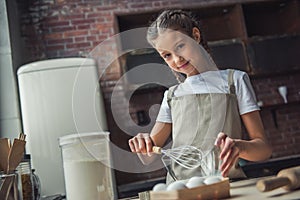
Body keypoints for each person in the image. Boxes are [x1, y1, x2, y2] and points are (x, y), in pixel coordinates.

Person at [128, 9, 272, 183]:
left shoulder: (234, 81)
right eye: (167, 55)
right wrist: (142, 144)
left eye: (180, 46)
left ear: (195, 36)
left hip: (226, 186)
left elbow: (263, 149)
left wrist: (239, 147)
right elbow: (148, 157)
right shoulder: (172, 96)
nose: (177, 59)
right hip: (180, 189)